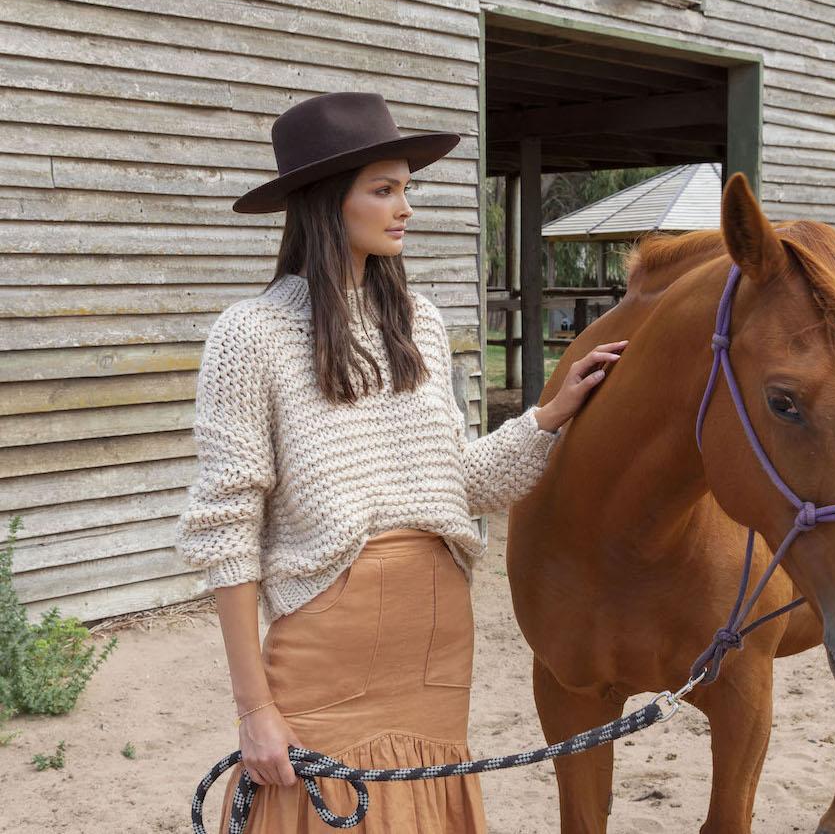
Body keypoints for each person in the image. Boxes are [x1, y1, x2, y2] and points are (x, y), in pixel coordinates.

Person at [174, 91, 627, 832]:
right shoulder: (248, 334)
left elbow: (461, 481)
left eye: (405, 188)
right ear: (327, 203)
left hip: (438, 634)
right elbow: (226, 528)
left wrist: (547, 418)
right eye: (383, 190)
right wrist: (254, 708)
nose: (404, 208)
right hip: (328, 637)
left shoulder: (417, 318)